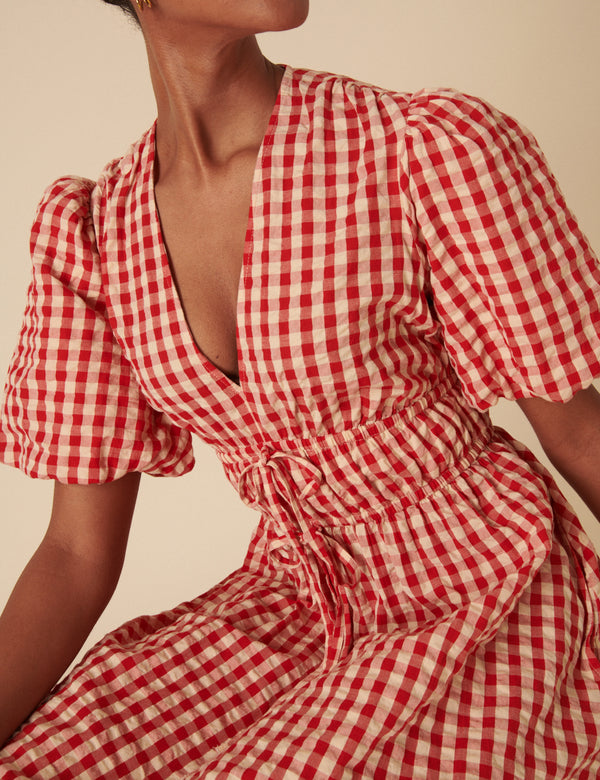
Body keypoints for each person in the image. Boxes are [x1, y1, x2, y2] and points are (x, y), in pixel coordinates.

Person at [0, 0, 599, 776]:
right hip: (290, 600)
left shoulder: (417, 150)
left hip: (482, 587)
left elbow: (579, 433)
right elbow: (75, 552)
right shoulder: (97, 235)